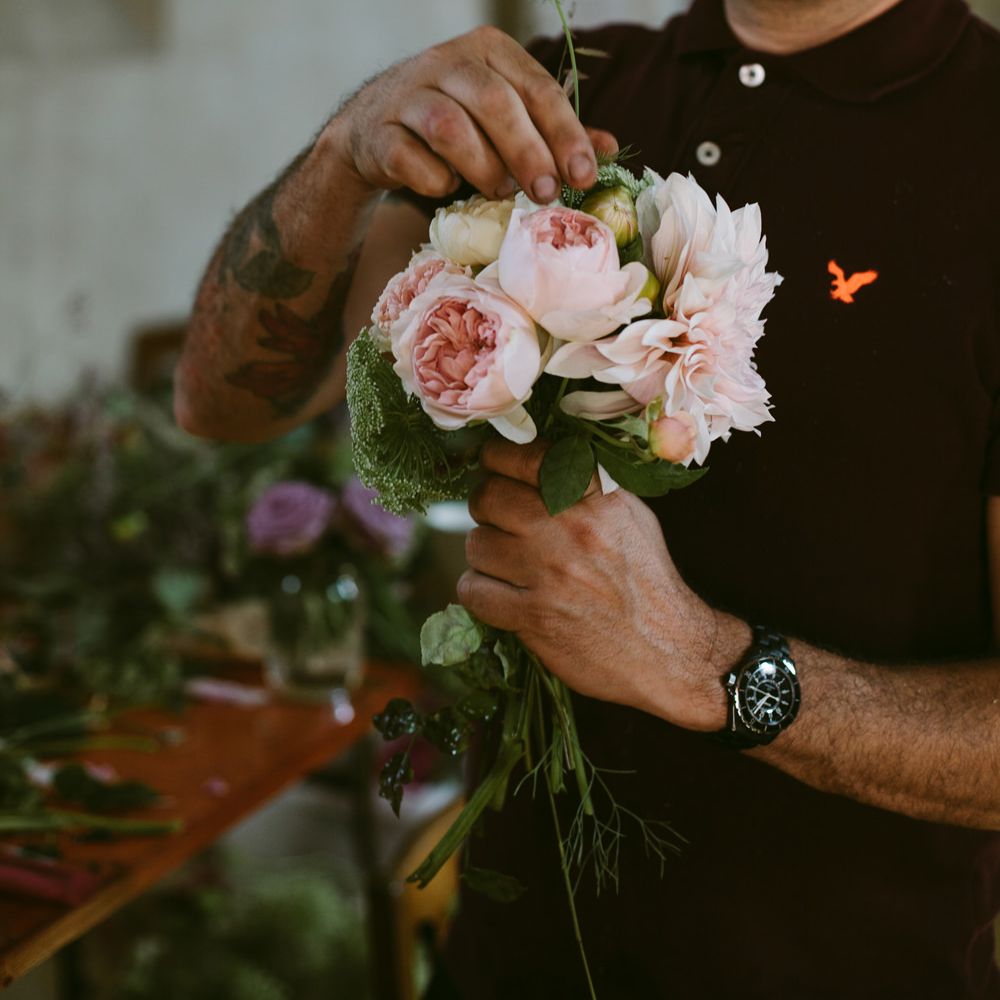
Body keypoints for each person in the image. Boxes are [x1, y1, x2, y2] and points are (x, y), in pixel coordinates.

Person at [174, 0, 1000, 995]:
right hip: (505, 959)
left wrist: (706, 665)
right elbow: (221, 401)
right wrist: (344, 152)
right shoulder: (569, 85)